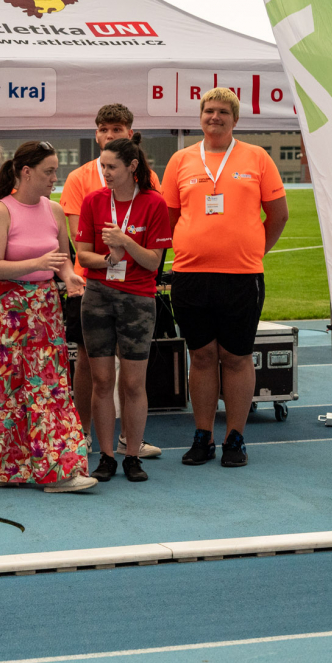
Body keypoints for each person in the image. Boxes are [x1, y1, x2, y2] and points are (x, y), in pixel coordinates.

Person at [0, 141, 95, 493]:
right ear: (27, 172)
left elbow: (62, 259)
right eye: (49, 171)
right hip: (9, 311)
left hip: (45, 308)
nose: (55, 177)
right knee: (9, 389)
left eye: (55, 170)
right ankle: (11, 467)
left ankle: (58, 469)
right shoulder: (1, 211)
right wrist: (37, 263)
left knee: (49, 387)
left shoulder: (55, 210)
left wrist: (69, 277)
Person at [160, 87, 288, 468]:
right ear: (200, 117)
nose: (214, 117)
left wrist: (254, 251)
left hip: (242, 276)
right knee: (201, 356)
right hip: (190, 275)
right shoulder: (181, 160)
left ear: (235, 119)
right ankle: (204, 435)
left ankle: (235, 437)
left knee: (236, 356)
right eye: (208, 111)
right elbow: (169, 219)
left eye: (222, 112)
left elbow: (278, 215)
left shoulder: (257, 157)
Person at [59, 103, 163, 459]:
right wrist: (108, 258)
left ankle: (128, 441)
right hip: (90, 285)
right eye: (103, 129)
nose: (109, 135)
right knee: (89, 365)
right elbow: (81, 242)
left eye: (116, 129)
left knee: (132, 374)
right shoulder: (81, 180)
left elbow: (153, 243)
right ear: (96, 133)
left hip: (135, 289)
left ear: (129, 135)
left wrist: (126, 245)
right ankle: (84, 434)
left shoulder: (148, 181)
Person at [76, 135, 172, 483]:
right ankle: (105, 456)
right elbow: (82, 255)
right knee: (102, 381)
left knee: (133, 383)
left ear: (132, 166)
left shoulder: (154, 203)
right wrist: (107, 259)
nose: (106, 172)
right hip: (97, 296)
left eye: (112, 166)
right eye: (102, 166)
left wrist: (125, 241)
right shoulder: (93, 201)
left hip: (138, 299)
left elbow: (153, 262)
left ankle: (131, 455)